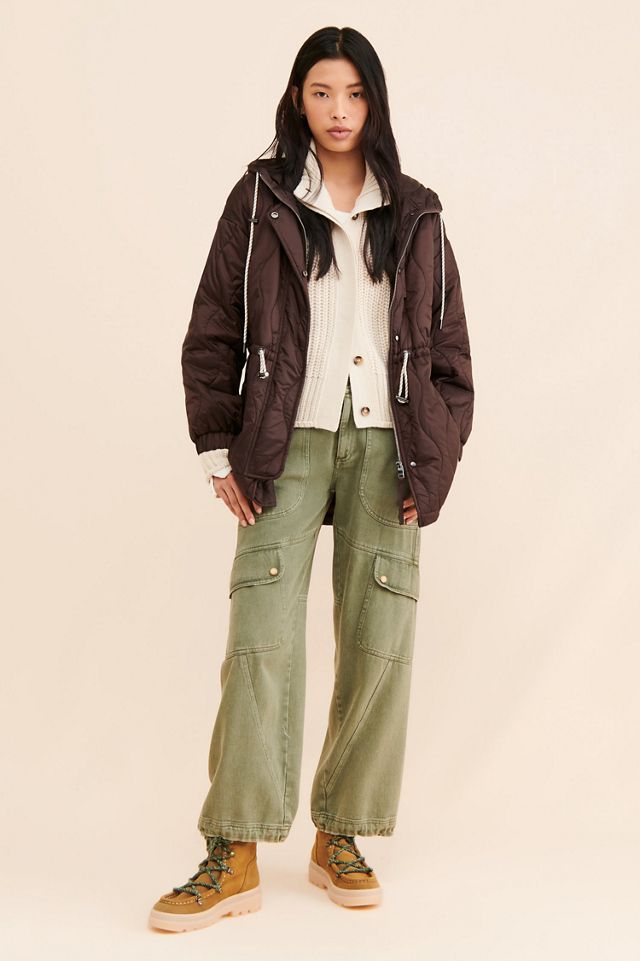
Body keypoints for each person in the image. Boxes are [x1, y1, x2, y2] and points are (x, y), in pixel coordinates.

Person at [149, 25, 474, 932]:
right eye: (323, 92)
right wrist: (218, 447)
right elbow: (213, 326)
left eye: (355, 93)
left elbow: (450, 352)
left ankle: (342, 833)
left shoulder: (416, 210)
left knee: (380, 642)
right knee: (259, 638)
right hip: (281, 441)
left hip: (388, 447)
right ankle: (236, 848)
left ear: (376, 102)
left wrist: (435, 457)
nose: (339, 110)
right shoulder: (261, 199)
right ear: (299, 98)